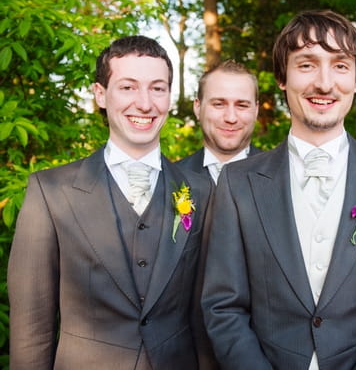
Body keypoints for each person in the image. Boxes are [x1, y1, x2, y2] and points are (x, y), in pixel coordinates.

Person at [201, 9, 356, 370]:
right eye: (307, 65)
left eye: (340, 66)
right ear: (282, 77)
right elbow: (223, 306)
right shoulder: (236, 183)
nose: (325, 84)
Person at [8, 35, 214, 370]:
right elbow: (32, 326)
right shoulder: (50, 192)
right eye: (128, 87)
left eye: (157, 88)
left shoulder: (202, 191)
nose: (145, 103)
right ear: (101, 95)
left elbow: (206, 315)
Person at [178, 60, 261, 184]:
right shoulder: (172, 178)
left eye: (242, 105)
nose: (231, 118)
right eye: (219, 104)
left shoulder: (284, 176)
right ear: (197, 107)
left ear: (256, 110)